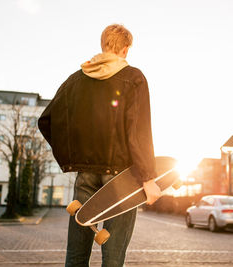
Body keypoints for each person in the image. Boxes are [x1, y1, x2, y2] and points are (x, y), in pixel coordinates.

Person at [38, 24, 161, 266]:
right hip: (122, 180)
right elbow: (138, 131)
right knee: (113, 257)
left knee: (76, 255)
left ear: (103, 45)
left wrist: (72, 157)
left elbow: (46, 121)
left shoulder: (75, 80)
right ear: (125, 50)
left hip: (86, 176)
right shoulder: (134, 77)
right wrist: (148, 178)